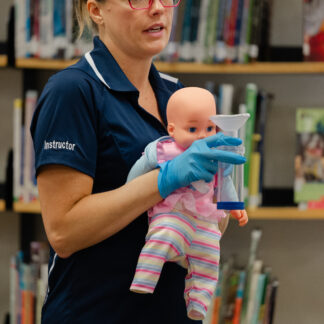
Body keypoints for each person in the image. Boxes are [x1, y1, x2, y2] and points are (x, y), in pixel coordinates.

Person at [30, 0, 246, 323]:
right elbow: (63, 231)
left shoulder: (177, 96)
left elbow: (208, 225)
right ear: (96, 10)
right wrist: (162, 180)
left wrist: (221, 185)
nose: (158, 8)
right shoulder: (72, 91)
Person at [127, 87, 248, 320]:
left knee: (210, 254)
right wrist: (133, 187)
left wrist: (236, 207)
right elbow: (137, 174)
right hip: (174, 211)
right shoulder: (165, 149)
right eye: (193, 129)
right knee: (164, 236)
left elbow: (224, 182)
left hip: (203, 219)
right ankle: (145, 278)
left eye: (210, 128)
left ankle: (198, 302)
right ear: (172, 129)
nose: (203, 136)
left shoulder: (215, 152)